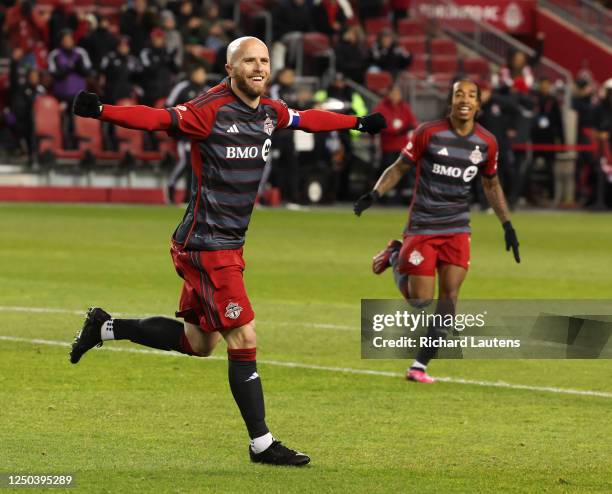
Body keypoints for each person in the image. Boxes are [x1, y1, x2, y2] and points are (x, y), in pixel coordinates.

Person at [69, 36, 386, 465]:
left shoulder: (269, 112)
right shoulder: (207, 110)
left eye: (264, 61)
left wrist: (356, 123)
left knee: (200, 343)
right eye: (249, 61)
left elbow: (307, 118)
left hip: (228, 244)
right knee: (244, 336)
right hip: (205, 245)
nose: (258, 68)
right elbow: (156, 119)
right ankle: (261, 444)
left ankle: (105, 327)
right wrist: (103, 111)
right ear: (230, 67)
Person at [353, 80, 520, 383]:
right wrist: (374, 194)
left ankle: (419, 366)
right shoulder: (428, 133)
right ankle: (394, 255)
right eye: (459, 94)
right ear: (451, 101)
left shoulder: (486, 142)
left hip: (458, 228)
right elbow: (399, 167)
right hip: (424, 226)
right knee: (420, 301)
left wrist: (506, 224)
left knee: (449, 302)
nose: (465, 99)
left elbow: (491, 183)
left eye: (471, 95)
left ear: (478, 105)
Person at [165, 64, 209, 204]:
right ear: (193, 73)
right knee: (185, 162)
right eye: (201, 73)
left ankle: (190, 196)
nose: (203, 76)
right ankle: (171, 186)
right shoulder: (182, 87)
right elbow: (169, 105)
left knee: (197, 165)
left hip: (201, 136)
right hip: (184, 136)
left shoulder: (207, 90)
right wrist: (177, 129)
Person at [373, 85, 418, 203]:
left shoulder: (404, 107)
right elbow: (382, 125)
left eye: (398, 93)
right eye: (393, 93)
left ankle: (404, 198)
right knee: (388, 172)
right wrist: (401, 129)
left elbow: (414, 123)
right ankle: (386, 197)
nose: (396, 96)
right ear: (388, 94)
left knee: (405, 174)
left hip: (403, 148)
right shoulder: (381, 107)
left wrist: (401, 129)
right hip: (388, 147)